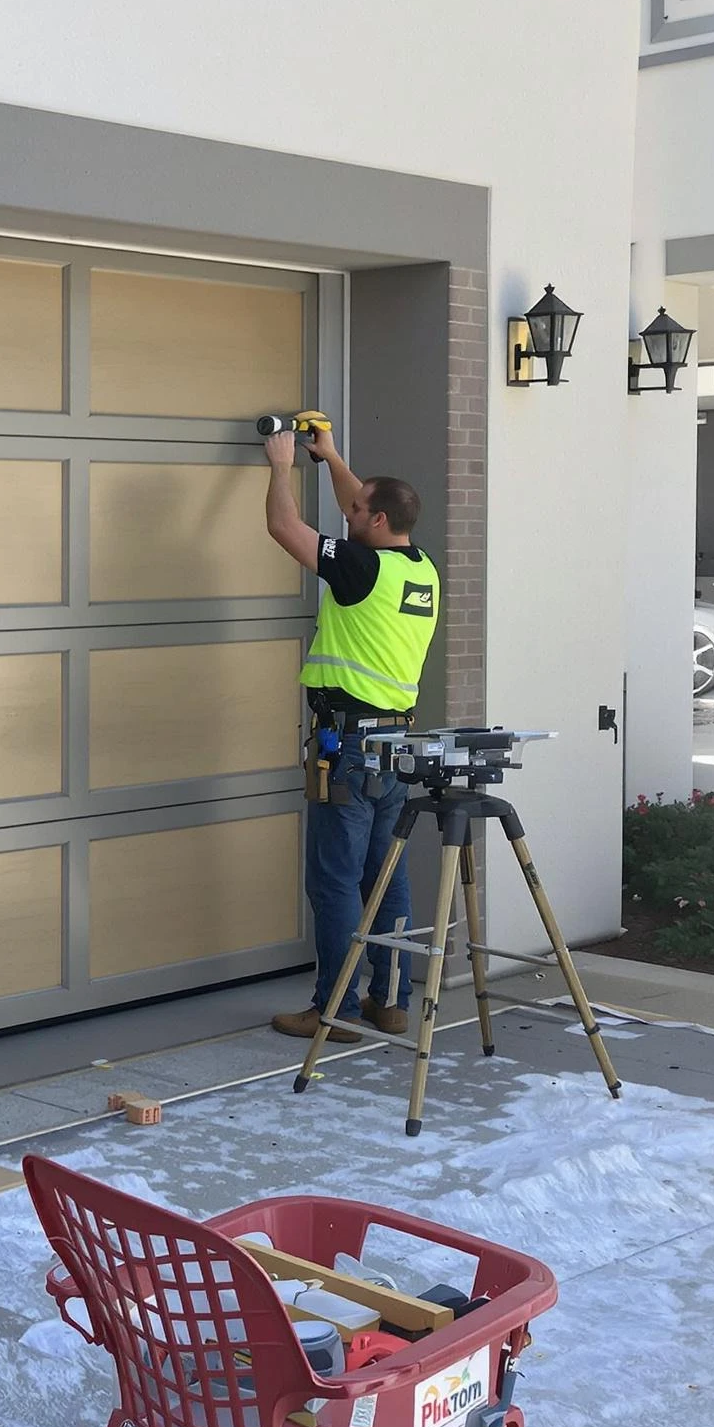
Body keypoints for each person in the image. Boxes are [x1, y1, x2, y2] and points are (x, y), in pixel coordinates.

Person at [259, 423, 439, 1042]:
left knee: (334, 880)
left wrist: (283, 466)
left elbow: (286, 529)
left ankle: (332, 1008)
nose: (348, 510)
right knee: (385, 877)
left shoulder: (360, 567)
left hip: (350, 749)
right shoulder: (420, 571)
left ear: (378, 522)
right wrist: (331, 456)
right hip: (395, 748)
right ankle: (389, 1002)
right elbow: (358, 502)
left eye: (358, 510)